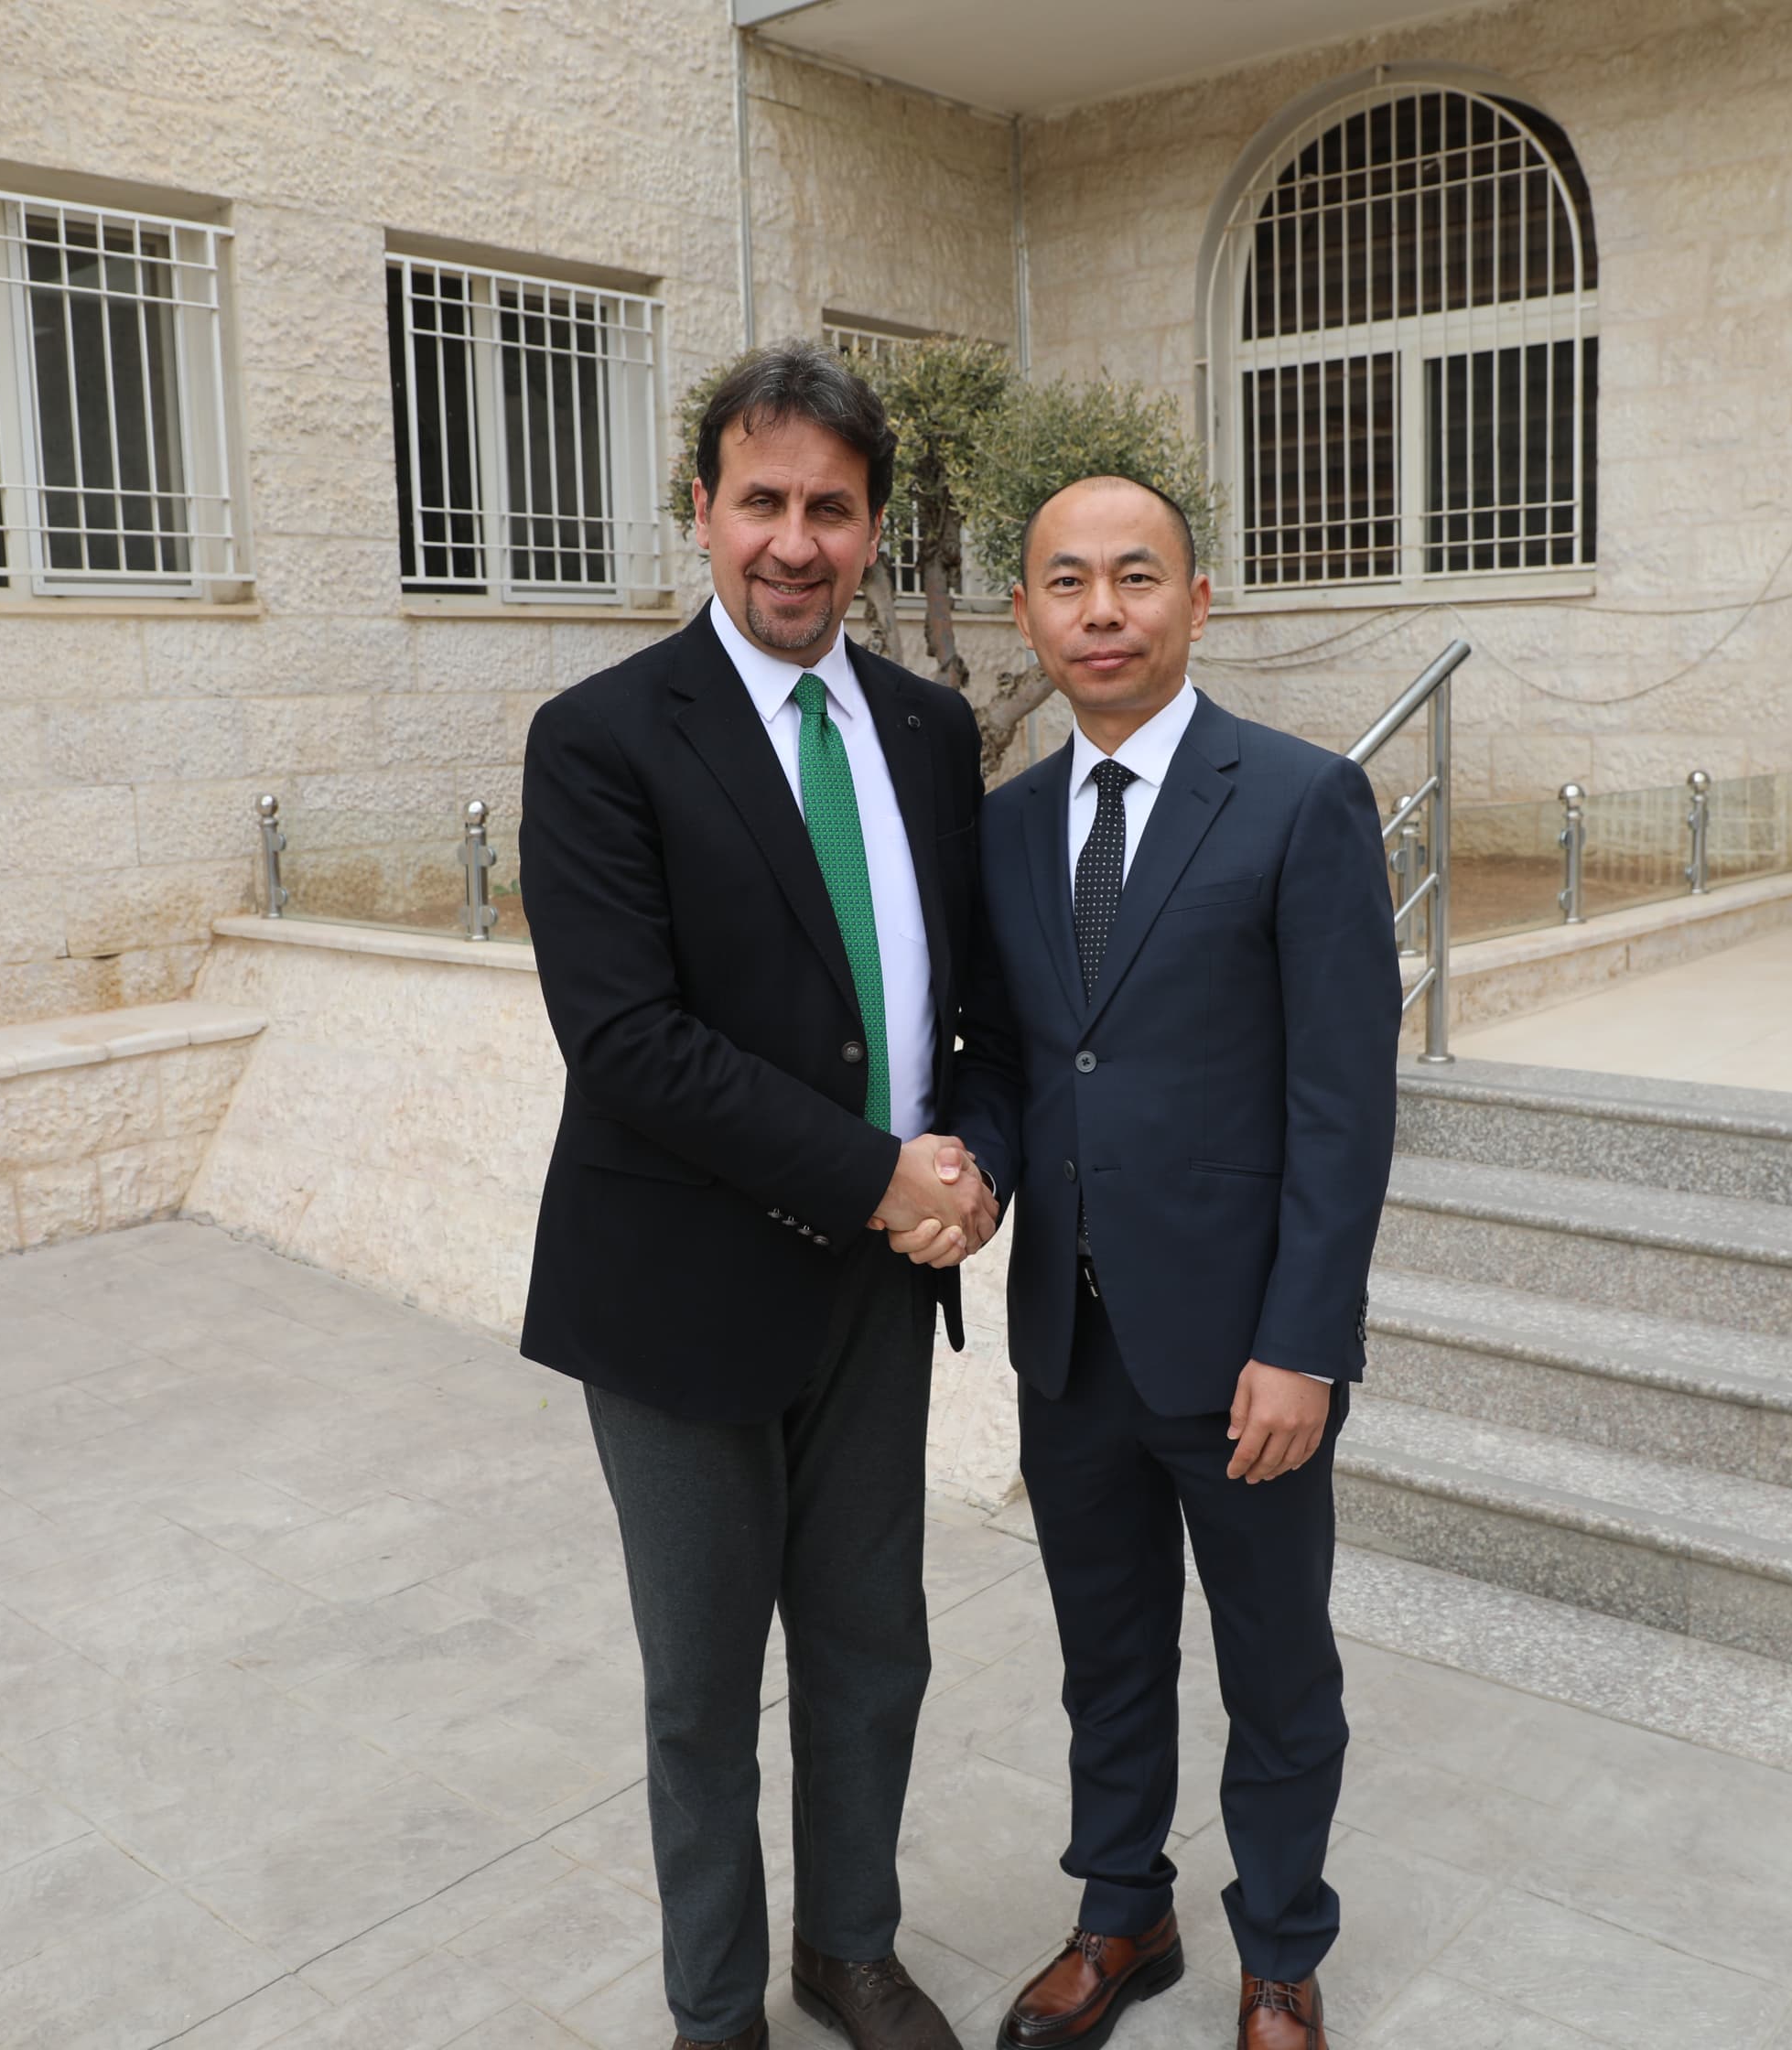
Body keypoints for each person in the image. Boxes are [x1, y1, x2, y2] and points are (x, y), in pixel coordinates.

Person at [518, 343, 998, 2050]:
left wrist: (971, 1167)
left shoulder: (931, 733)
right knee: (704, 1688)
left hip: (875, 1292)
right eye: (763, 502)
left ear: (874, 529)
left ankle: (847, 1949)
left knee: (875, 1646)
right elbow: (627, 1042)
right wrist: (878, 1174)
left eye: (833, 509)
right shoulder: (600, 739)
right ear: (703, 510)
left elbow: (968, 1010)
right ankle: (716, 2008)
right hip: (679, 1293)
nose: (796, 542)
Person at [935, 475, 1399, 2050]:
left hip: (1243, 1351)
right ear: (1026, 615)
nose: (1103, 611)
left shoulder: (1299, 800)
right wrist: (979, 1169)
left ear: (1197, 601)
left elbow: (1344, 1103)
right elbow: (1009, 1057)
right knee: (1108, 1656)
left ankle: (1280, 1948)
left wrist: (1306, 1342)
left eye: (1136, 577)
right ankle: (1122, 1912)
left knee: (1278, 1669)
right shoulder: (1005, 827)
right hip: (1070, 1339)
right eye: (1067, 582)